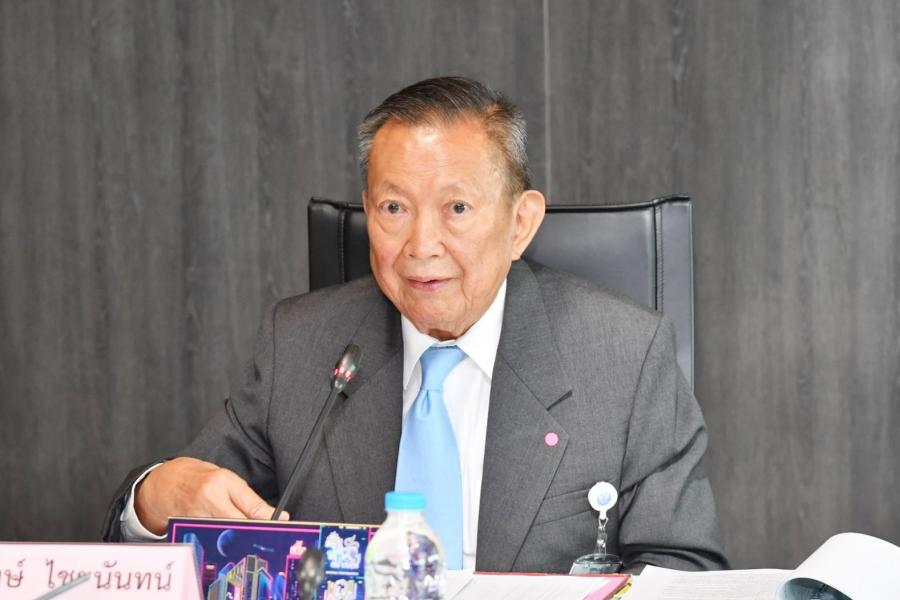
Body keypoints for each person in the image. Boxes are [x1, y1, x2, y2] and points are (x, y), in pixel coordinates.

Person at [103, 76, 728, 573]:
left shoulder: (623, 355)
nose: (421, 245)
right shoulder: (300, 345)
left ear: (520, 224)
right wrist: (154, 498)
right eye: (394, 208)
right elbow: (179, 526)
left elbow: (683, 569)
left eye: (456, 208)